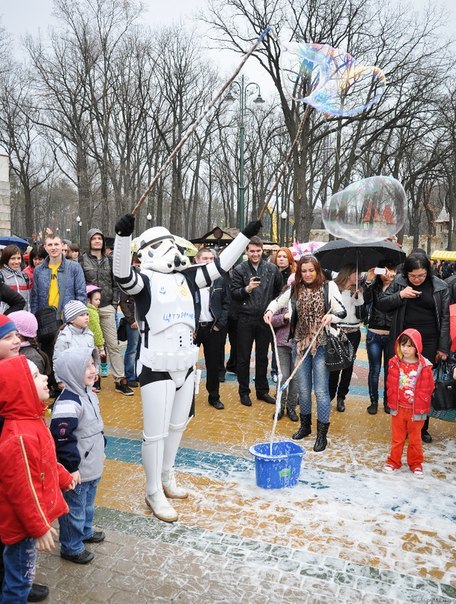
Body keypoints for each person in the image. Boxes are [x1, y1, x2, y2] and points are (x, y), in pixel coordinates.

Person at [112, 213, 261, 522]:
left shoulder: (188, 276)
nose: (174, 250)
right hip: (157, 366)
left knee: (177, 427)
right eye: (165, 245)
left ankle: (167, 476)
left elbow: (221, 266)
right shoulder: (145, 280)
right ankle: (152, 489)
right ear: (151, 250)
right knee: (154, 434)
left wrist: (245, 235)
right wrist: (123, 238)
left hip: (187, 364)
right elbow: (122, 275)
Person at [0, 355, 75, 603]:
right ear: (19, 389)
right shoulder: (18, 436)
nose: (45, 377)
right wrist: (39, 527)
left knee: (23, 575)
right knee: (19, 581)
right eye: (35, 376)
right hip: (22, 527)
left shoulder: (33, 421)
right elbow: (23, 491)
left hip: (28, 524)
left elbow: (44, 461)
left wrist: (62, 476)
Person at [264, 255, 346, 452]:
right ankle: (305, 426)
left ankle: (321, 434)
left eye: (311, 270)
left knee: (320, 391)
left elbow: (341, 311)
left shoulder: (329, 287)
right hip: (300, 346)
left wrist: (331, 316)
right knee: (303, 390)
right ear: (299, 272)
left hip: (322, 344)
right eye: (304, 271)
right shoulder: (295, 289)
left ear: (317, 271)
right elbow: (277, 301)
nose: (308, 274)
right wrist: (269, 311)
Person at [377, 252, 450, 443]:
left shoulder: (440, 286)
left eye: (421, 275)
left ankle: (421, 427)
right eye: (413, 276)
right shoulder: (400, 282)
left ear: (428, 272)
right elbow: (382, 304)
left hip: (429, 340)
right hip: (405, 341)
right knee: (404, 383)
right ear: (406, 273)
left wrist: (443, 347)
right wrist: (400, 295)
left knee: (423, 385)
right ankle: (404, 424)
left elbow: (444, 318)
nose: (417, 279)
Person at [51, 348, 105, 565]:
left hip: (92, 467)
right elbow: (62, 440)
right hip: (77, 472)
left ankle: (84, 532)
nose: (93, 370)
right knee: (73, 509)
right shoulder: (68, 403)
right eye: (87, 366)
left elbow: (96, 428)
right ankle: (71, 546)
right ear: (72, 371)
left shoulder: (89, 393)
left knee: (88, 505)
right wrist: (71, 468)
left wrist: (103, 449)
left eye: (93, 364)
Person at [231, 236, 283, 407]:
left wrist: (272, 310)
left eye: (258, 251)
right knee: (243, 357)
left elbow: (278, 292)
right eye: (252, 251)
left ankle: (262, 391)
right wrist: (247, 289)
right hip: (245, 318)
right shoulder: (239, 270)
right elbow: (234, 294)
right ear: (247, 252)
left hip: (264, 319)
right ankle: (244, 391)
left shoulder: (272, 269)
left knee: (262, 357)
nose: (255, 254)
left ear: (262, 251)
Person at [80, 228, 132, 396]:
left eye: (99, 239)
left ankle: (119, 380)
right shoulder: (83, 260)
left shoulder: (109, 260)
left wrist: (114, 302)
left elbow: (116, 283)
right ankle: (95, 379)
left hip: (108, 306)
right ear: (89, 241)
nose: (97, 241)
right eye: (94, 238)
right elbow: (80, 284)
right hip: (89, 309)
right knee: (92, 346)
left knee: (113, 345)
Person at [384, 329, 434, 476]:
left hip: (416, 410)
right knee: (397, 438)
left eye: (409, 346)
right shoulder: (394, 362)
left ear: (417, 346)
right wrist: (390, 399)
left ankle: (416, 463)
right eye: (403, 345)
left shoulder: (424, 366)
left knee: (415, 439)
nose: (405, 349)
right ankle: (394, 461)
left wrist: (423, 405)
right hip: (398, 408)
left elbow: (428, 387)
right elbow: (390, 383)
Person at [193, 248, 230, 410]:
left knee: (213, 364)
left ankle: (214, 396)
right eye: (205, 258)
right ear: (197, 259)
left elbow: (226, 304)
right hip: (193, 330)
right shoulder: (189, 279)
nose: (208, 261)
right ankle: (185, 396)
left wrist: (219, 325)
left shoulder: (220, 279)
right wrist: (189, 326)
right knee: (187, 365)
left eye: (211, 258)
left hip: (212, 328)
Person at [328, 264, 365, 413]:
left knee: (348, 365)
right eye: (356, 273)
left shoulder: (359, 290)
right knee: (335, 365)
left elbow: (362, 313)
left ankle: (341, 397)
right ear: (347, 273)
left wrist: (358, 296)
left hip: (354, 331)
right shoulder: (334, 288)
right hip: (338, 330)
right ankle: (330, 395)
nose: (358, 276)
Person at [363, 261, 397, 414]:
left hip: (391, 334)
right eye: (384, 270)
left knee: (390, 371)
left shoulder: (398, 287)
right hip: (374, 333)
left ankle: (388, 402)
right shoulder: (375, 287)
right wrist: (369, 281)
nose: (387, 273)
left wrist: (395, 281)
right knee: (374, 370)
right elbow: (366, 300)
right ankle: (374, 402)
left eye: (390, 270)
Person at [270, 247, 296, 383]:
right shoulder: (271, 272)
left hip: (285, 314)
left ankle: (280, 370)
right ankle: (274, 370)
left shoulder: (293, 277)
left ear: (290, 260)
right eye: (279, 256)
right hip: (272, 312)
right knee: (274, 344)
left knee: (282, 342)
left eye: (284, 257)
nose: (281, 259)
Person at [270, 301, 299, 421]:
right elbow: (272, 320)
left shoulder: (305, 299)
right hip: (282, 345)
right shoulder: (282, 302)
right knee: (283, 376)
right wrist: (284, 317)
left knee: (295, 378)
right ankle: (279, 407)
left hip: (299, 346)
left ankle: (291, 407)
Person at [53, 301, 94, 384]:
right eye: (82, 315)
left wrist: (94, 372)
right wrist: (60, 380)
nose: (86, 317)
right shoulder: (64, 338)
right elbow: (58, 360)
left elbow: (92, 357)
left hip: (86, 378)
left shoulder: (89, 335)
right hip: (71, 380)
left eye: (87, 314)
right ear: (71, 320)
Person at [119, 253, 141, 388]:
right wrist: (131, 319)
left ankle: (139, 373)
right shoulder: (128, 279)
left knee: (141, 349)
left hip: (144, 320)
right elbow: (123, 302)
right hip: (133, 321)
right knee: (132, 348)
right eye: (137, 264)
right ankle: (130, 375)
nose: (139, 267)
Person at [8, 311, 51, 376]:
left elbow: (34, 384)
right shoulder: (13, 350)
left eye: (7, 334)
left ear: (18, 335)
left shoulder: (32, 357)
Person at [0, 245, 32, 311]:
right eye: (13, 258)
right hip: (6, 319)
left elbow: (28, 301)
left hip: (22, 318)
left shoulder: (25, 277)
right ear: (6, 259)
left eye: (19, 258)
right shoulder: (1, 276)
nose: (17, 262)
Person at [86, 285, 106, 391]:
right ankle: (96, 383)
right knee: (95, 362)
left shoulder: (87, 310)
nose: (98, 302)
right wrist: (101, 345)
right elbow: (97, 330)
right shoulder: (92, 312)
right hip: (93, 343)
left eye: (99, 299)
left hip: (87, 343)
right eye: (96, 299)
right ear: (88, 299)